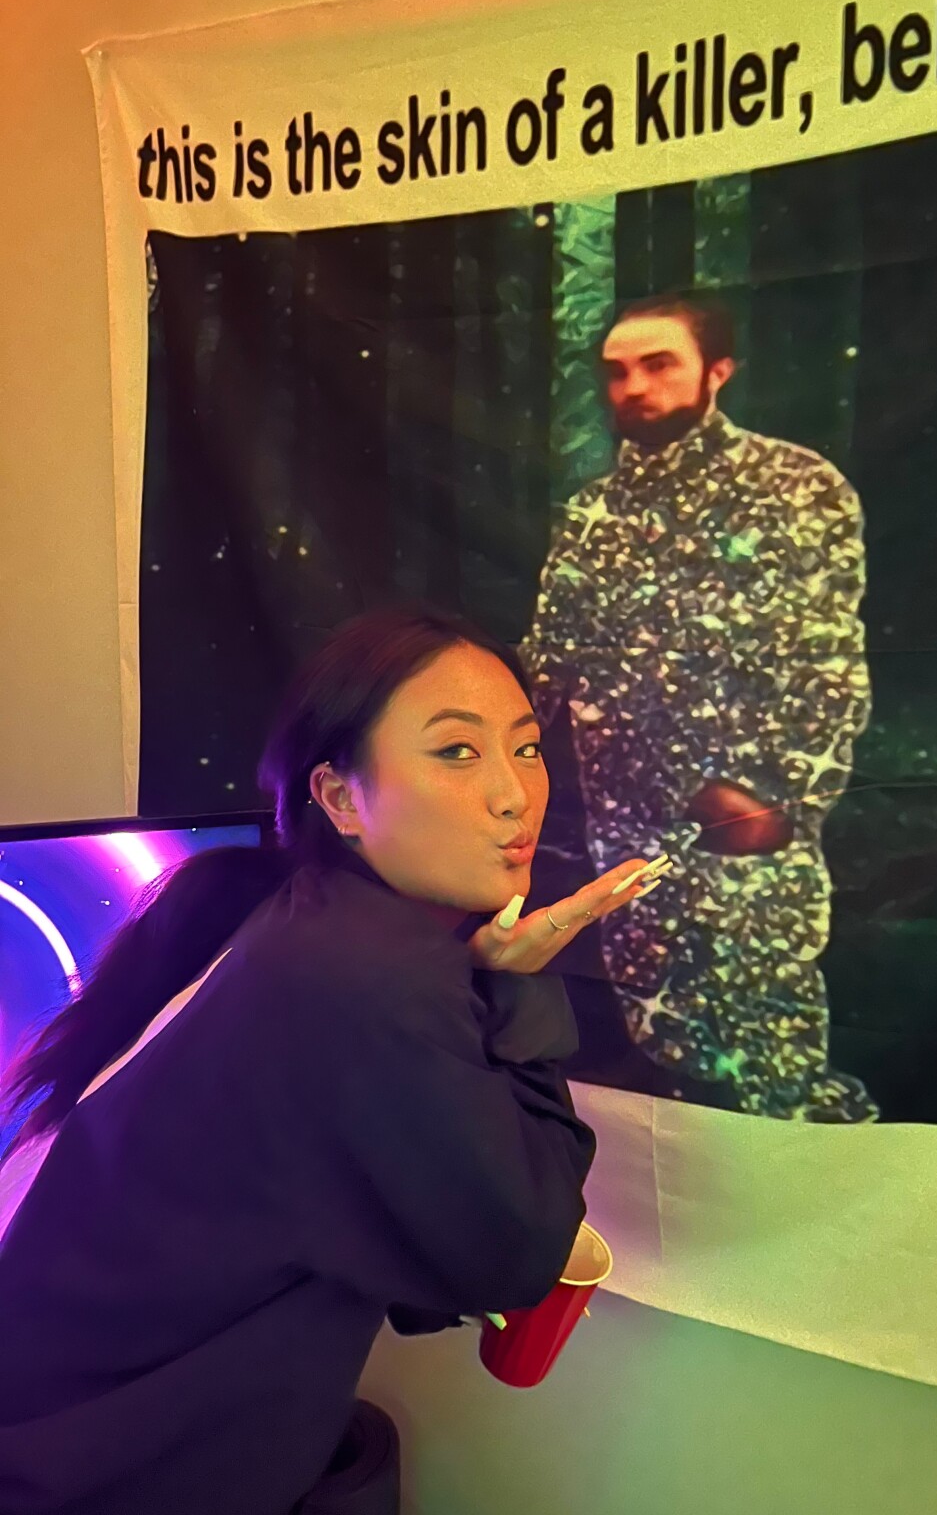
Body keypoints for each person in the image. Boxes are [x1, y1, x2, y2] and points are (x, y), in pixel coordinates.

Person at [0, 607, 659, 1515]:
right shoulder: (360, 974)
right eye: (457, 752)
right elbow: (520, 1256)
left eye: (527, 748)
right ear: (342, 798)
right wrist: (520, 985)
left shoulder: (306, 916)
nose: (514, 795)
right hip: (94, 1475)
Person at [522, 292, 878, 1123]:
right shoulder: (593, 516)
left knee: (772, 1054)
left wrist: (783, 803)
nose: (634, 388)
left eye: (658, 365)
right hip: (626, 832)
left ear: (718, 371)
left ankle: (815, 1191)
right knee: (665, 1055)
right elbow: (547, 666)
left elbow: (829, 663)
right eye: (617, 372)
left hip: (747, 827)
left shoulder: (795, 488)